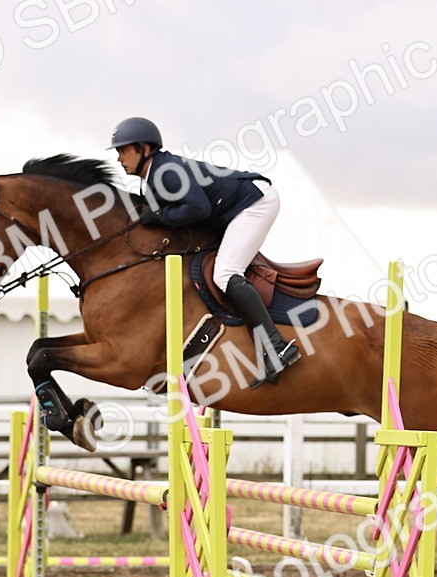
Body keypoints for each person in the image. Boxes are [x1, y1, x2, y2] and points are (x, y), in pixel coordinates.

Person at [109, 116, 301, 388]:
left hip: (255, 203)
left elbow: (199, 209)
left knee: (225, 273)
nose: (119, 158)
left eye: (123, 150)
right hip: (231, 210)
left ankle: (276, 347)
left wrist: (161, 215)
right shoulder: (149, 179)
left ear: (145, 149)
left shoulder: (168, 171)